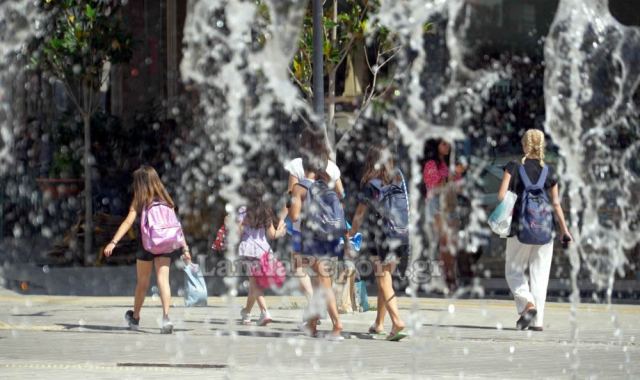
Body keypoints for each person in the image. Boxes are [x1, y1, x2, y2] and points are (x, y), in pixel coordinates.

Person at [497, 129, 572, 331]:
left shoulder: (513, 167)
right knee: (540, 275)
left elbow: (502, 196)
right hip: (545, 231)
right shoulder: (549, 172)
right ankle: (537, 322)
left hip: (520, 230)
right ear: (542, 147)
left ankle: (527, 304)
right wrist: (565, 230)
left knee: (513, 271)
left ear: (524, 145)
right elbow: (556, 204)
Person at [104, 165, 191, 334]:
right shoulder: (166, 198)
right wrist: (185, 249)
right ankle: (166, 318)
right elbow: (176, 225)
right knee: (163, 280)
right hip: (166, 242)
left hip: (147, 244)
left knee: (143, 283)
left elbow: (128, 221)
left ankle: (135, 317)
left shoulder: (140, 198)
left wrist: (113, 242)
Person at [281, 127, 345, 325]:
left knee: (320, 280)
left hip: (309, 237)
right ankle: (312, 322)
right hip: (330, 233)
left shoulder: (299, 178)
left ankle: (336, 323)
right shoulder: (329, 173)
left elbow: (294, 215)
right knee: (321, 279)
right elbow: (342, 195)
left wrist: (289, 201)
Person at [348, 145, 408, 341]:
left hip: (383, 236)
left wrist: (351, 233)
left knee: (383, 279)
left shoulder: (371, 183)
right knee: (387, 278)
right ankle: (380, 323)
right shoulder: (398, 177)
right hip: (402, 233)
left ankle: (397, 321)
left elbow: (359, 214)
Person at [238, 179, 286, 326]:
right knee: (254, 283)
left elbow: (238, 231)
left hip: (248, 250)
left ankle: (265, 312)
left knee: (255, 284)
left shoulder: (243, 210)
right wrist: (281, 231)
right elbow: (272, 235)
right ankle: (246, 312)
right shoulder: (266, 210)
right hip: (263, 251)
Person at [422, 139, 464, 290]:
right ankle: (446, 278)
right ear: (437, 146)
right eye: (443, 144)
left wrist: (458, 176)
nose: (447, 147)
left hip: (450, 204)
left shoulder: (449, 164)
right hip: (436, 205)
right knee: (443, 242)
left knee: (451, 243)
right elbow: (433, 186)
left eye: (448, 144)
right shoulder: (431, 164)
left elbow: (459, 187)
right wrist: (451, 178)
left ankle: (450, 276)